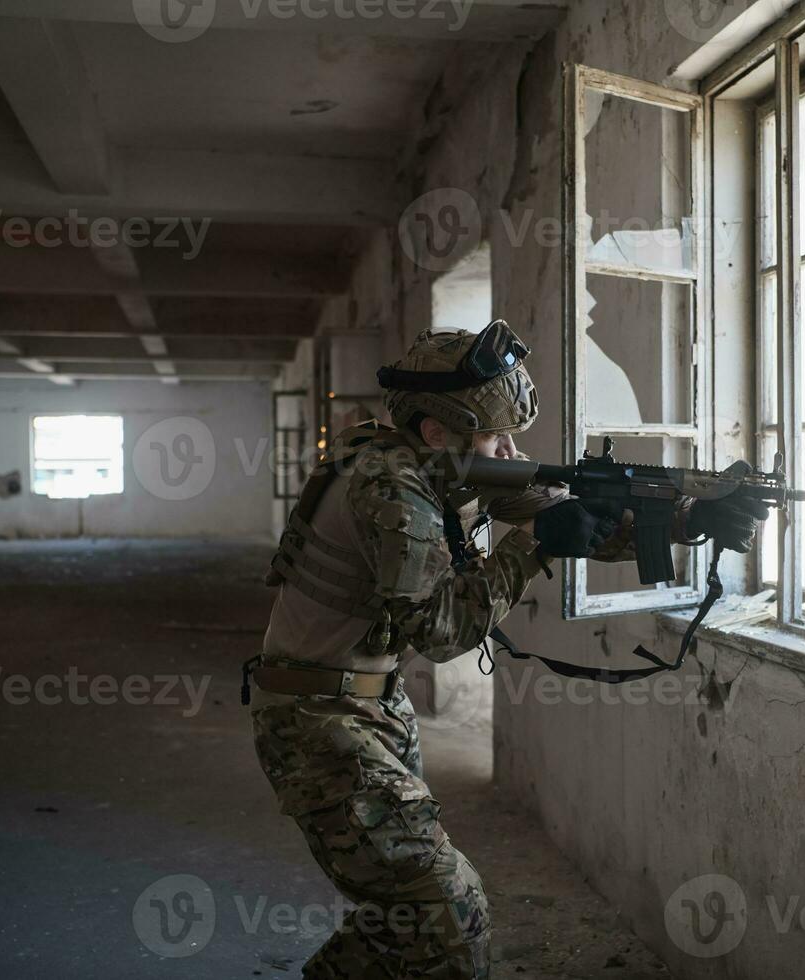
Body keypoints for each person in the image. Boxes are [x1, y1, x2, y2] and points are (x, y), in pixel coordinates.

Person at [248, 321, 765, 978]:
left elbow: (563, 511)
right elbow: (442, 631)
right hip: (316, 724)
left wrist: (691, 519)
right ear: (439, 431)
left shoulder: (437, 464)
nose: (511, 449)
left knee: (403, 914)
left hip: (370, 705)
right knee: (445, 911)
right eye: (496, 435)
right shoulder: (390, 486)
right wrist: (533, 548)